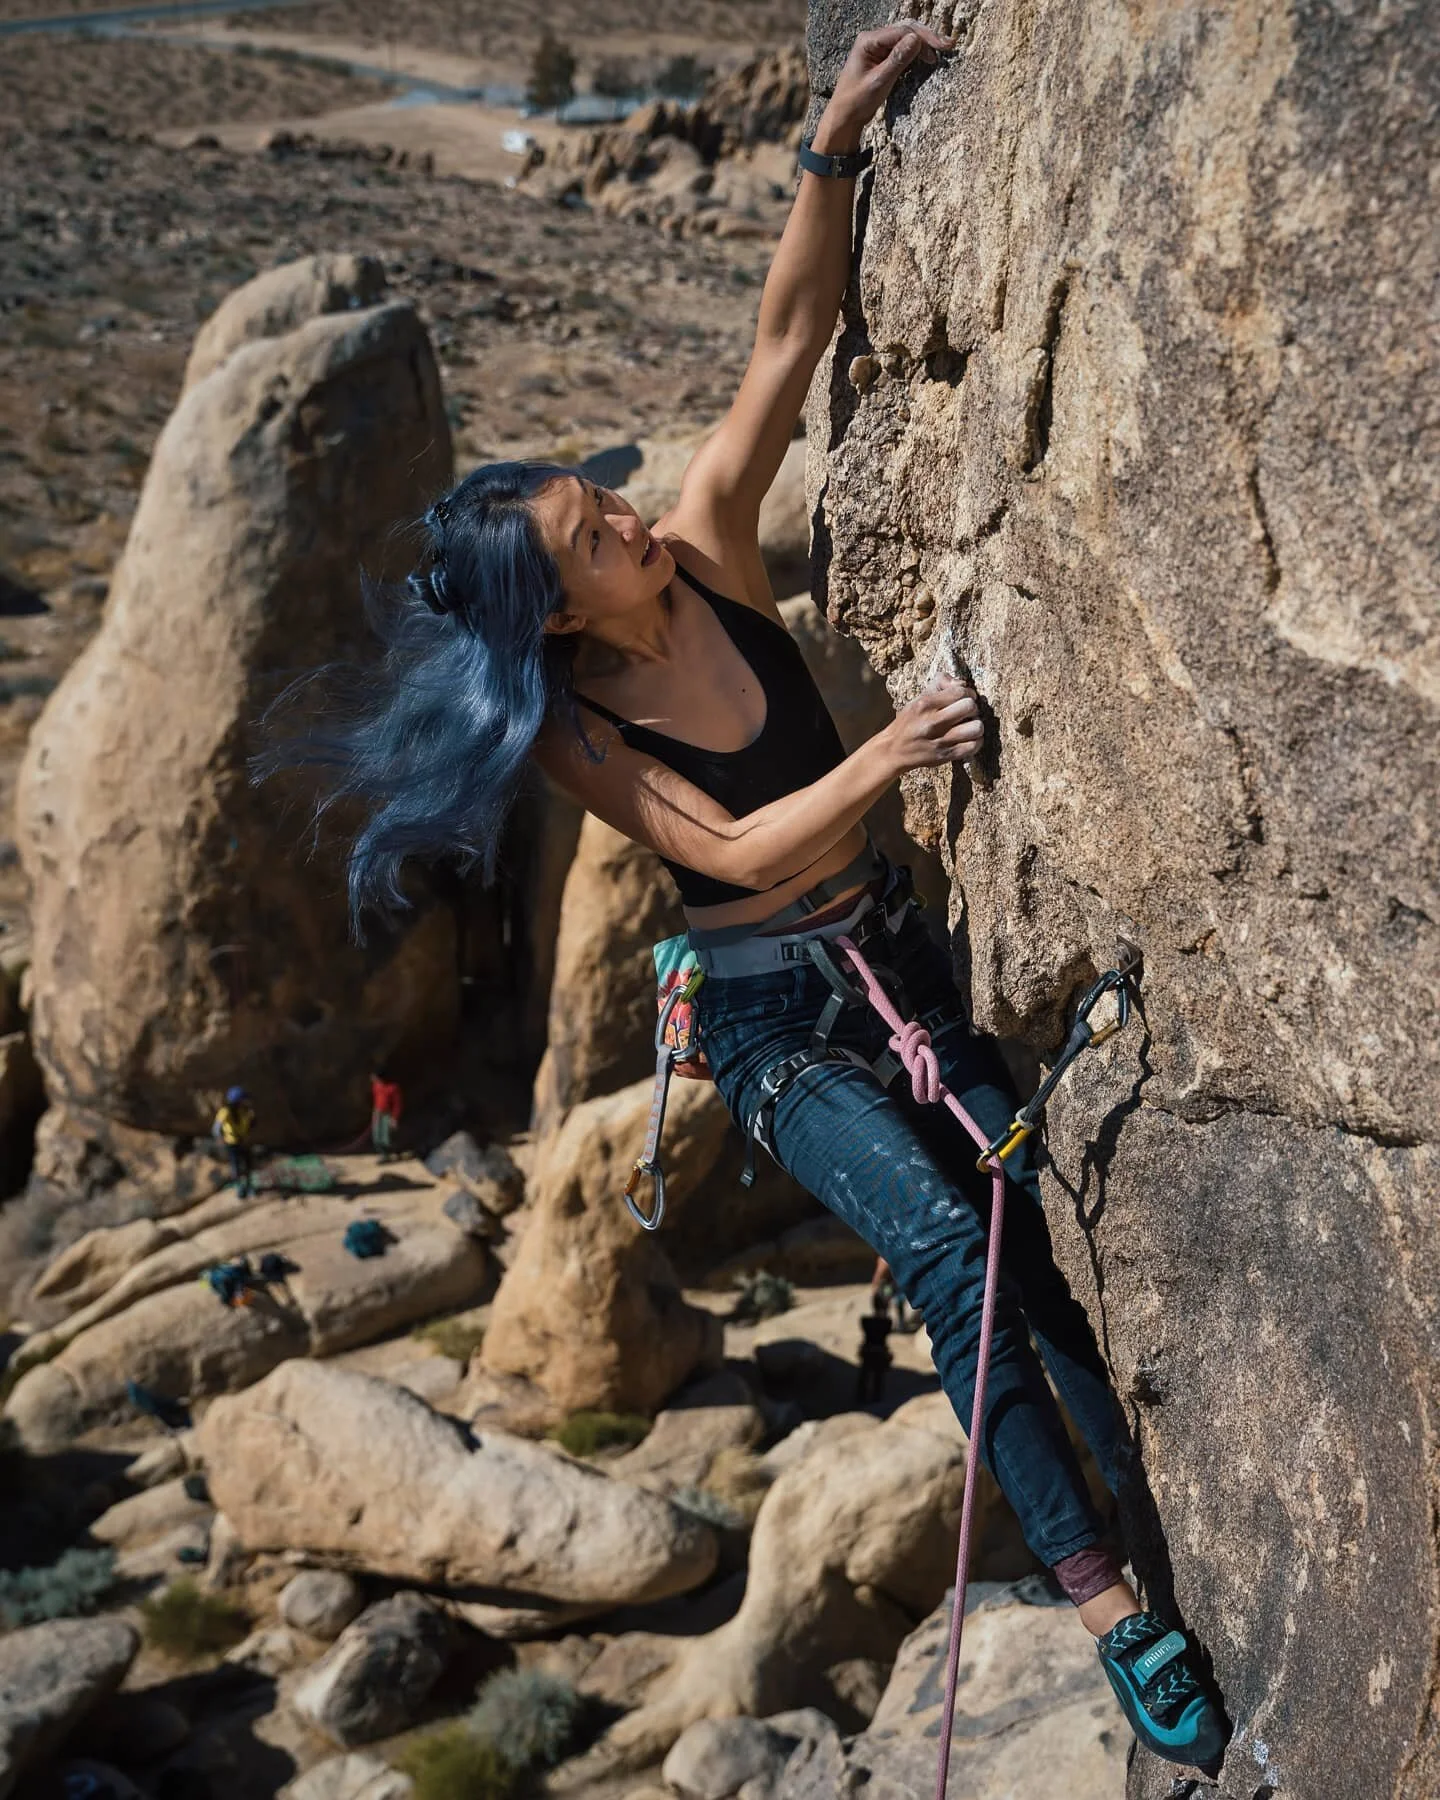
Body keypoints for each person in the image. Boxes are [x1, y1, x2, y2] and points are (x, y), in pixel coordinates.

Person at [263, 20, 1227, 1768]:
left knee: (1037, 1252)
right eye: (594, 538)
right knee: (948, 1253)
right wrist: (889, 758)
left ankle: (1166, 1534)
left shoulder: (707, 544)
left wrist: (830, 142)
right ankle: (1106, 1603)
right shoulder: (578, 730)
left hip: (895, 961)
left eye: (607, 503)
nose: (631, 521)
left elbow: (786, 340)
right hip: (780, 1027)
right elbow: (725, 853)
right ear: (560, 616)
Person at [212, 1087, 256, 1197]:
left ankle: (249, 1186)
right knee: (236, 1166)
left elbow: (249, 1125)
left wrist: (252, 1119)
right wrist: (220, 1139)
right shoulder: (225, 1112)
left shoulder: (245, 1111)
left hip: (244, 1141)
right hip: (232, 1143)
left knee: (248, 1164)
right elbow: (216, 1128)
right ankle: (239, 1187)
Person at [855, 1288, 894, 1405]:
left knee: (864, 1376)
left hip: (868, 1350)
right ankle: (876, 1399)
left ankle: (860, 1398)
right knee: (878, 1378)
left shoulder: (865, 1320)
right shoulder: (887, 1322)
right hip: (880, 1352)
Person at [369, 1068, 403, 1159]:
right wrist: (375, 1113)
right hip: (378, 1113)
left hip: (388, 1114)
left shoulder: (393, 1087)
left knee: (387, 1137)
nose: (372, 1078)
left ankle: (395, 1152)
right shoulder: (376, 1086)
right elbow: (376, 1099)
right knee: (376, 1136)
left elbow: (397, 1104)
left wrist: (394, 1118)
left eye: (374, 1076)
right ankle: (384, 1155)